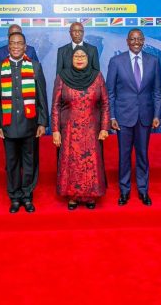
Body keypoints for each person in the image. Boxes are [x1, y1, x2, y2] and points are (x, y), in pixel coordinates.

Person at [0, 31, 48, 213]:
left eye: (19, 43)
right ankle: (15, 197)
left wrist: (42, 123)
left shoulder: (35, 67)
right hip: (8, 126)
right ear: (8, 46)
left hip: (29, 125)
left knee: (30, 162)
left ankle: (27, 195)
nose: (16, 46)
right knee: (12, 163)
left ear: (25, 47)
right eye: (13, 43)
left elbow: (42, 97)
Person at [106, 29, 161, 206]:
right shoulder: (116, 61)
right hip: (123, 117)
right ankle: (124, 191)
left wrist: (157, 114)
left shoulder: (154, 61)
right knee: (124, 156)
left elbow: (157, 91)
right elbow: (110, 92)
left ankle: (143, 190)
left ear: (143, 41)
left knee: (143, 155)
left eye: (139, 39)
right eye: (133, 39)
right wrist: (112, 116)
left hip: (145, 116)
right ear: (127, 41)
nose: (136, 42)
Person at [52, 48, 110, 210]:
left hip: (92, 129)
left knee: (90, 163)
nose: (79, 58)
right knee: (72, 163)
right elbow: (55, 105)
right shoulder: (62, 77)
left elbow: (105, 103)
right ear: (70, 59)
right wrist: (55, 130)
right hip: (69, 129)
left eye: (83, 56)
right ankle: (73, 196)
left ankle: (91, 195)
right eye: (76, 56)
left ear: (89, 58)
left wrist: (104, 127)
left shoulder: (97, 77)